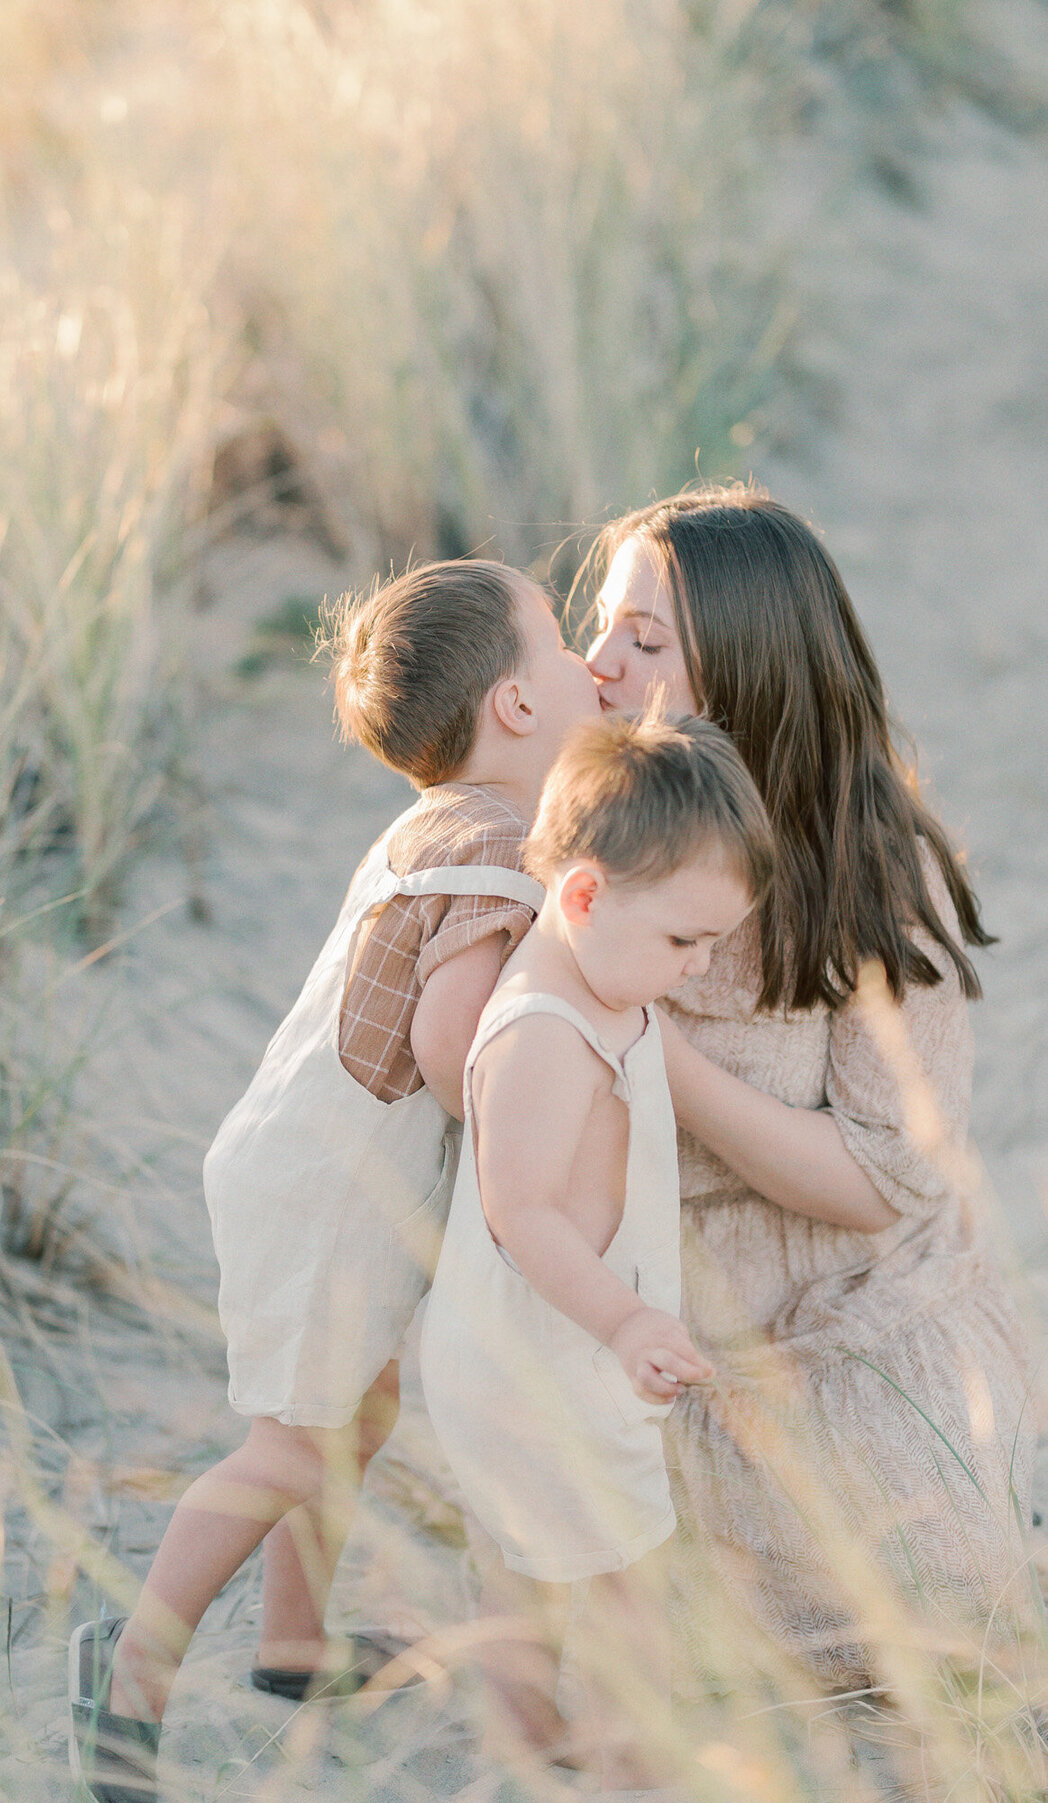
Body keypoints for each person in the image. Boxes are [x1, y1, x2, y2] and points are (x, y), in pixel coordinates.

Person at [68, 558, 599, 1801]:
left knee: (349, 1417)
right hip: (326, 1195)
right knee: (289, 1446)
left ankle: (295, 1647)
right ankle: (130, 1668)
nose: (587, 668)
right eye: (562, 645)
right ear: (516, 705)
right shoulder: (494, 845)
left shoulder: (441, 824)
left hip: (317, 1176)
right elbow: (446, 1040)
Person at [583, 484, 1036, 1690]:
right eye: (600, 626)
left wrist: (656, 1057)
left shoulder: (874, 876)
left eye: (642, 640)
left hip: (851, 1303)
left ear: (746, 671)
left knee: (943, 1616)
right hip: (639, 1322)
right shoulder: (587, 827)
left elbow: (880, 1182)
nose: (599, 663)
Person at [420, 711, 774, 1789]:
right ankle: (626, 1768)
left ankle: (528, 1755)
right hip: (549, 1358)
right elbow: (517, 1209)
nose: (702, 964)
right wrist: (623, 1322)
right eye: (684, 940)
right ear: (581, 896)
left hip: (544, 1349)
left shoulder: (597, 978)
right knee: (622, 1579)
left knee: (523, 1571)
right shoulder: (542, 1031)